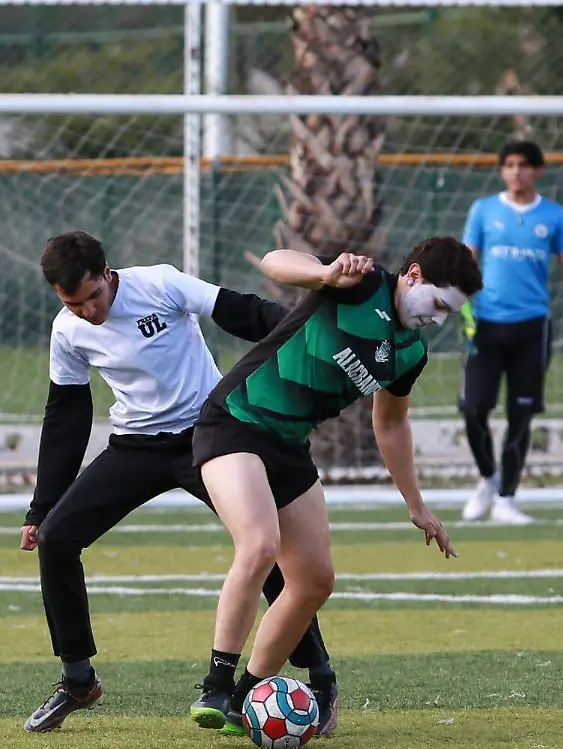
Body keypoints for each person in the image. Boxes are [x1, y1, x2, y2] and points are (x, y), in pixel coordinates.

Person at [19, 231, 339, 736]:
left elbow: (240, 311)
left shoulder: (160, 284)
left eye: (93, 297)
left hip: (210, 436)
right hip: (137, 449)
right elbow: (66, 418)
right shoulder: (68, 331)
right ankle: (77, 678)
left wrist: (310, 334)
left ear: (107, 273)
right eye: (72, 304)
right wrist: (41, 507)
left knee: (270, 550)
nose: (88, 312)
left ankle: (318, 675)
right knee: (56, 539)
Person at [190, 238, 484, 736]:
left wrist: (416, 505)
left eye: (447, 314)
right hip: (234, 421)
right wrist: (326, 273)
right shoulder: (361, 282)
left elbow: (390, 425)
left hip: (288, 446)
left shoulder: (410, 353)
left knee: (314, 580)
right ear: (412, 275)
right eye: (436, 304)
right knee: (260, 545)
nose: (437, 319)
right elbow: (274, 260)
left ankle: (247, 698)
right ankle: (216, 685)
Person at [458, 140, 563, 525]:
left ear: (538, 171)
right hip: (487, 325)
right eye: (510, 164)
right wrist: (463, 304)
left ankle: (507, 498)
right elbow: (468, 260)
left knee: (522, 415)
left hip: (533, 327)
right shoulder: (483, 211)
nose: (516, 171)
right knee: (473, 409)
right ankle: (487, 478)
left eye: (524, 165)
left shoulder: (554, 216)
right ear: (502, 170)